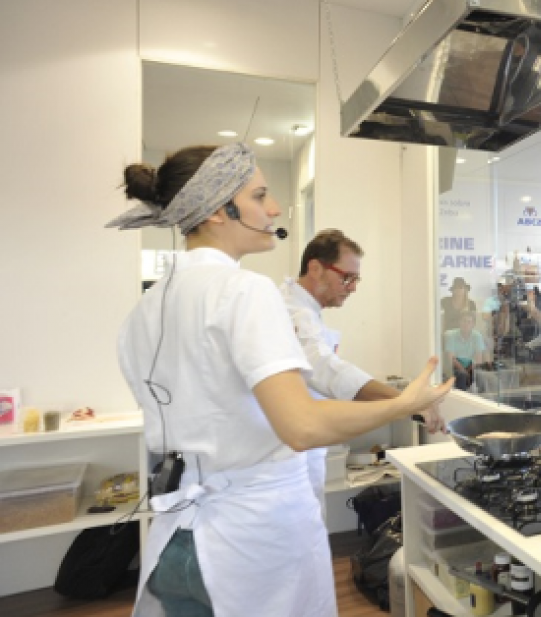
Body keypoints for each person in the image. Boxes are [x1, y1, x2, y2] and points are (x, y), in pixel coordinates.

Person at [108, 143, 451, 616]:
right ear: (216, 210)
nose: (273, 210)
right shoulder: (244, 290)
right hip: (248, 548)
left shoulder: (143, 310)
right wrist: (403, 402)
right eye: (260, 195)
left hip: (177, 537)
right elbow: (302, 425)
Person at [280, 229, 444, 506]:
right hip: (284, 461)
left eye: (357, 279)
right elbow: (323, 367)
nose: (353, 287)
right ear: (316, 268)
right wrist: (406, 401)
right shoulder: (294, 313)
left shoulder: (302, 308)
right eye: (347, 277)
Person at [444, 311, 490, 391]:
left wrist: (468, 370)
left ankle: (482, 400)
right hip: (455, 367)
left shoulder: (477, 336)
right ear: (459, 322)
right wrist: (464, 370)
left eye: (469, 322)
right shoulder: (450, 335)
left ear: (473, 325)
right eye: (464, 321)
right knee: (461, 375)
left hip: (471, 366)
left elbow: (478, 359)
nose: (466, 324)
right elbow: (451, 358)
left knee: (481, 376)